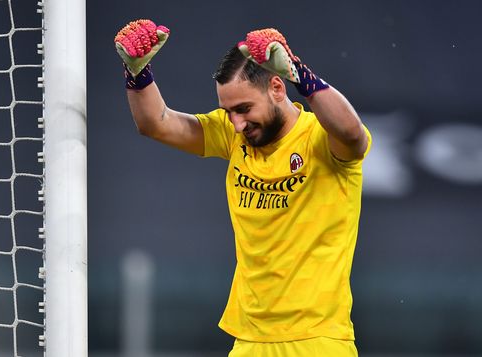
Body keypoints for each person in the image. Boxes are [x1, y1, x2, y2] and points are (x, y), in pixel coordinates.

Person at [115, 19, 372, 357]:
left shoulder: (322, 139)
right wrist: (137, 73)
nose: (236, 123)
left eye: (244, 109)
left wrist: (300, 74)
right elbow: (156, 124)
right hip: (248, 341)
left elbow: (353, 135)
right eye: (229, 112)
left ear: (278, 88)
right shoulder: (233, 136)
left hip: (317, 341)